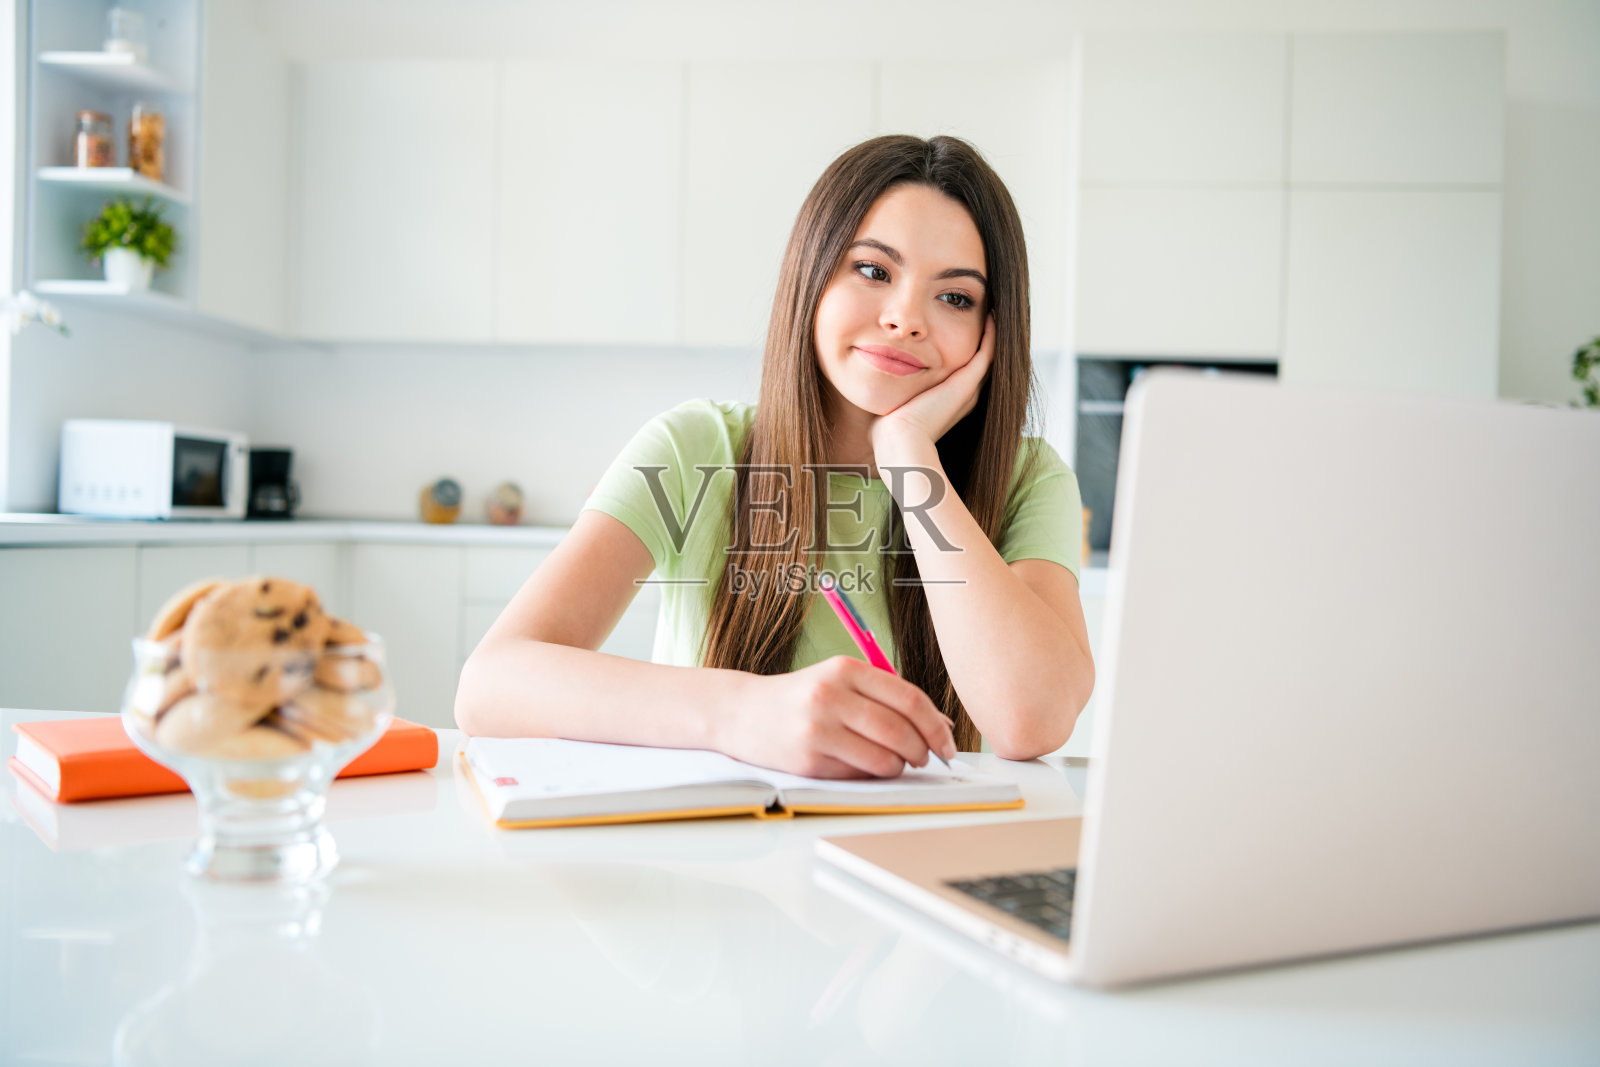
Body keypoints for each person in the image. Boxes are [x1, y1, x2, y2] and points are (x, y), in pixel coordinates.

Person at [455, 134, 1095, 777]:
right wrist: (740, 712)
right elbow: (492, 685)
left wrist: (908, 459)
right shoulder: (695, 449)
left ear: (993, 330)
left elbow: (1028, 719)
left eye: (955, 297)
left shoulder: (1027, 480)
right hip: (717, 862)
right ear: (812, 276)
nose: (905, 318)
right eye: (873, 271)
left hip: (913, 862)